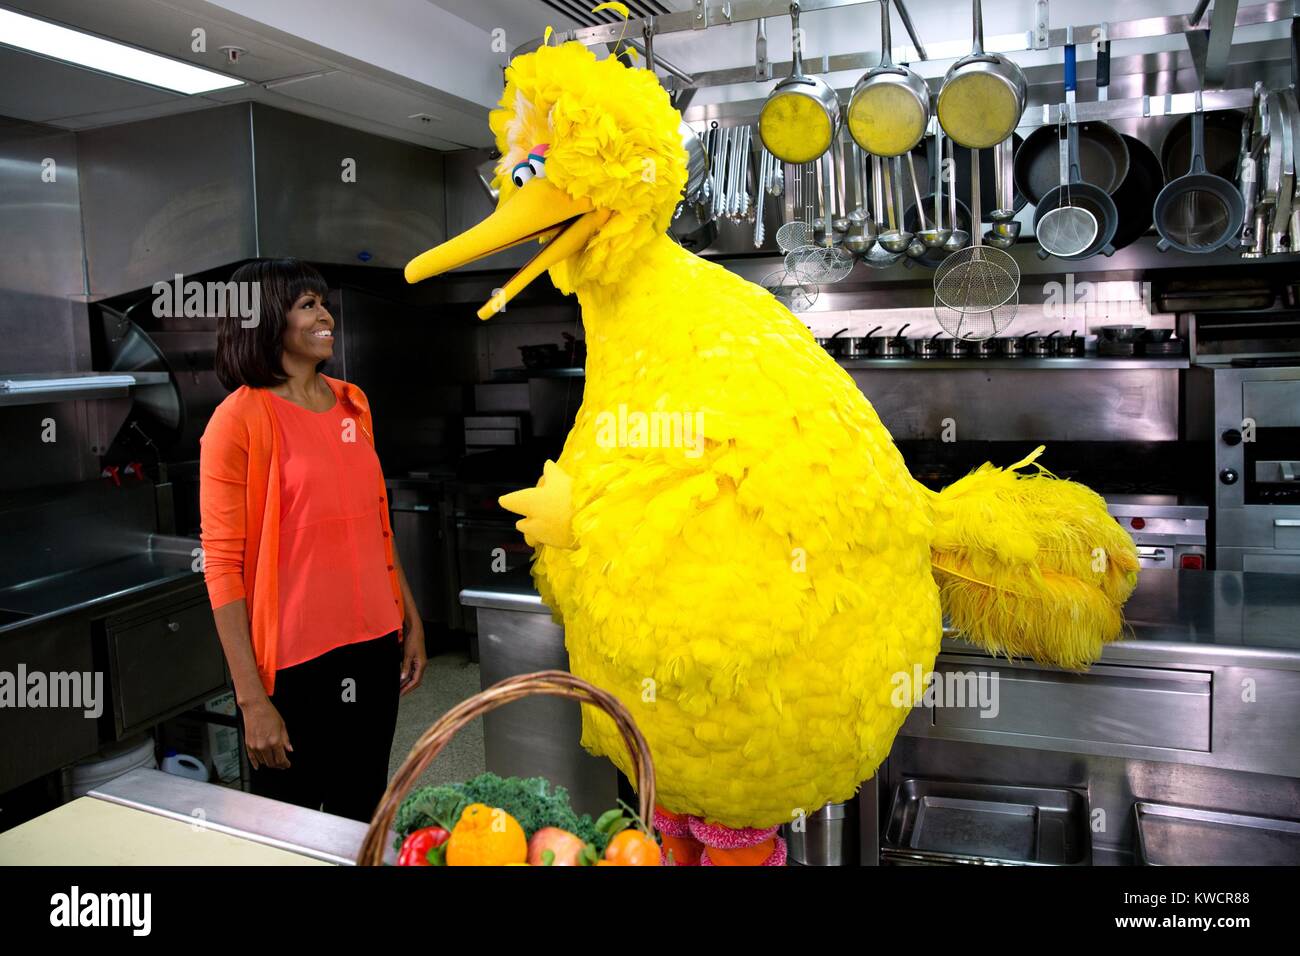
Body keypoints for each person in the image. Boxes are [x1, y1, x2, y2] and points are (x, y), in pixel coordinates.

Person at [199, 257, 426, 822]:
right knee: (290, 827)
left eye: (322, 303)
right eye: (308, 305)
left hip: (373, 643)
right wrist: (252, 701)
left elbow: (375, 523)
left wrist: (410, 616)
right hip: (295, 667)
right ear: (265, 320)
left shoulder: (353, 403)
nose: (326, 315)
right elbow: (222, 565)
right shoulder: (238, 420)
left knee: (361, 812)